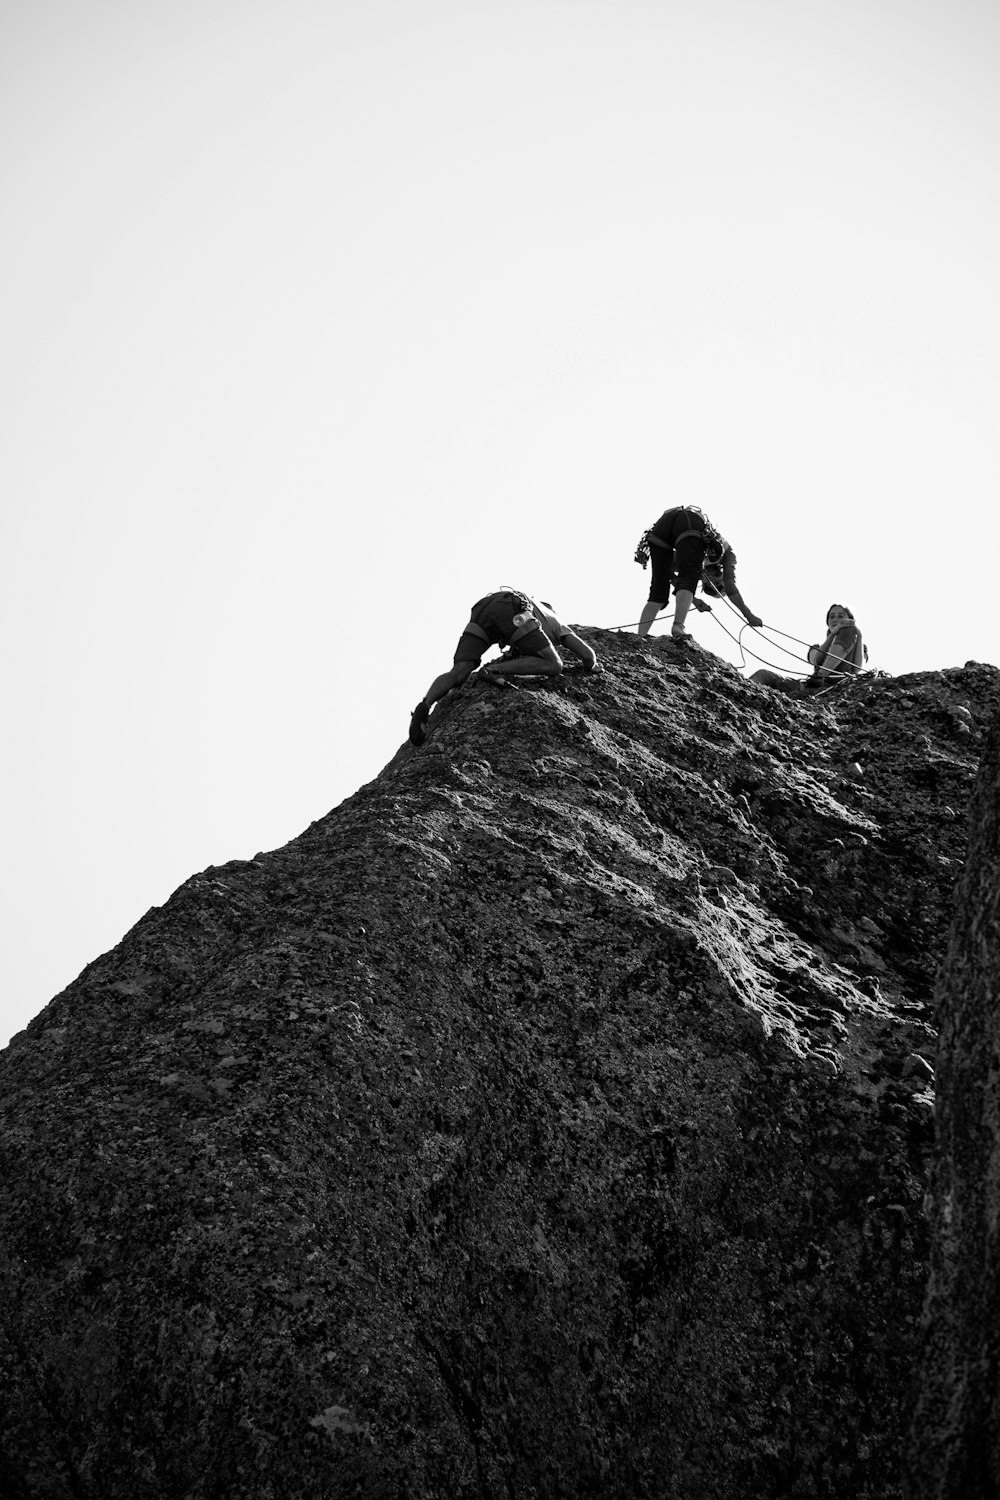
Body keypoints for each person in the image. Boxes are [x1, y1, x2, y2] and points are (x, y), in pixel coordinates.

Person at [408, 589, 598, 746]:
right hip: (512, 608)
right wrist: (592, 667)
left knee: (459, 670)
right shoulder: (555, 621)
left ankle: (425, 706)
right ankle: (493, 670)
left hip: (484, 608)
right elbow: (588, 655)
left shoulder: (533, 609)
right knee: (554, 664)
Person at [636, 506, 762, 640]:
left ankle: (639, 637)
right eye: (720, 581)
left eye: (714, 584)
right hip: (689, 520)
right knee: (689, 577)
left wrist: (694, 601)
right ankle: (678, 626)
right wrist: (749, 616)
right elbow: (730, 587)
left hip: (663, 527)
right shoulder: (728, 556)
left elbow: (669, 572)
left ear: (706, 583)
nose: (716, 580)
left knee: (658, 593)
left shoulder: (692, 560)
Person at [750, 603, 865, 691]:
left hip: (834, 689)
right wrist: (833, 634)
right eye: (832, 617)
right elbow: (816, 659)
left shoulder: (853, 639)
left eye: (841, 616)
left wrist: (858, 636)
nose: (835, 619)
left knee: (850, 631)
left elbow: (855, 669)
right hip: (808, 687)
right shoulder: (815, 647)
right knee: (763, 674)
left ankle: (821, 676)